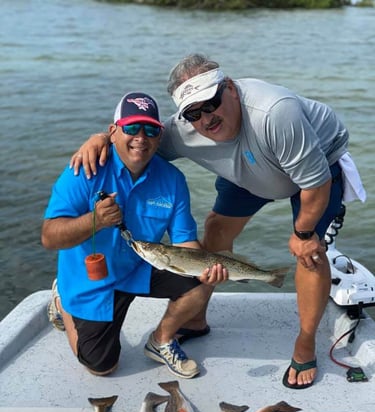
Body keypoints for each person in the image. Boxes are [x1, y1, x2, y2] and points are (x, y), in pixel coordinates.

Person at [69, 54, 366, 389]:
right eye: (194, 113)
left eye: (211, 103)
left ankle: (305, 341)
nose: (206, 118)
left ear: (231, 89)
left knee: (309, 253)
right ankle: (195, 318)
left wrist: (303, 232)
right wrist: (98, 139)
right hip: (249, 172)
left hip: (316, 169)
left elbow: (315, 184)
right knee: (216, 228)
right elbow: (136, 143)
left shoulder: (275, 112)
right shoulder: (180, 132)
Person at [41, 90, 227, 379]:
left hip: (140, 265)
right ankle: (63, 298)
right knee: (102, 367)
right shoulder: (83, 170)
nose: (141, 136)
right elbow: (49, 237)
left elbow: (185, 242)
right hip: (91, 278)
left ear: (159, 135)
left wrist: (207, 268)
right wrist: (95, 220)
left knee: (201, 281)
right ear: (113, 131)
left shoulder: (173, 179)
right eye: (132, 127)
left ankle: (161, 340)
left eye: (151, 129)